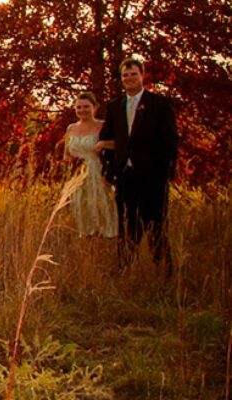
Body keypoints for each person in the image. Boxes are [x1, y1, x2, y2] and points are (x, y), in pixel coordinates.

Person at [95, 58, 179, 277]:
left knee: (156, 225)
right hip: (125, 176)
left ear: (142, 75)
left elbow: (171, 140)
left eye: (133, 74)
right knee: (127, 226)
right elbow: (107, 140)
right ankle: (124, 271)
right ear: (121, 78)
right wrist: (108, 171)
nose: (129, 78)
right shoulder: (114, 106)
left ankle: (164, 272)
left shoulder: (159, 104)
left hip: (153, 176)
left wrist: (167, 173)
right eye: (125, 75)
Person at [62, 92, 118, 238]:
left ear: (95, 107)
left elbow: (119, 145)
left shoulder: (103, 126)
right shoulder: (71, 128)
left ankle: (108, 237)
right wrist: (71, 163)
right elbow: (66, 154)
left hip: (98, 172)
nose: (82, 110)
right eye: (79, 107)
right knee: (82, 208)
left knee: (102, 206)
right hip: (78, 175)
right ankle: (88, 241)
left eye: (86, 107)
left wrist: (103, 144)